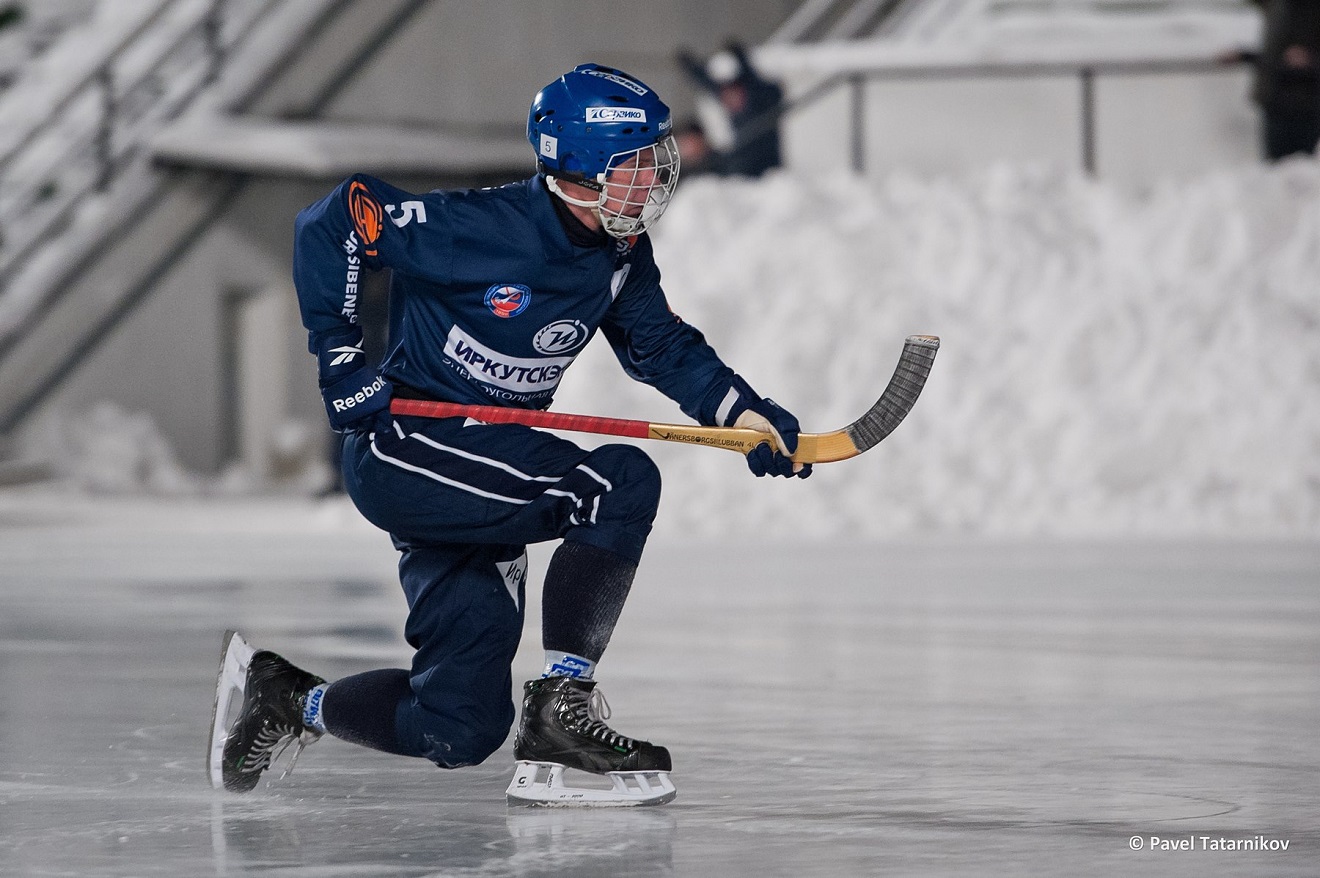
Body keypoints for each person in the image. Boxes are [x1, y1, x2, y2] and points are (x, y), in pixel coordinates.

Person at [208, 63, 810, 806]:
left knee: (457, 727)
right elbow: (335, 219)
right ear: (580, 170)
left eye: (658, 160)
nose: (656, 178)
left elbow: (662, 346)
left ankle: (285, 700)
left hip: (486, 468)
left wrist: (741, 414)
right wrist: (339, 360)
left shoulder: (619, 257)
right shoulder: (476, 227)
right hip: (407, 451)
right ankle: (562, 706)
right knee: (615, 484)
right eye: (637, 164)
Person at [1225, 0, 1320, 160]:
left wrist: (1310, 59)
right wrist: (1244, 56)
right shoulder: (1278, 6)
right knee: (1275, 170)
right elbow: (1274, 56)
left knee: (1303, 169)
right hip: (1275, 102)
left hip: (1308, 105)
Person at [677, 42, 784, 177]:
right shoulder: (732, 100)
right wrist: (688, 66)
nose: (730, 99)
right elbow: (707, 83)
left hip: (766, 168)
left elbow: (759, 85)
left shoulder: (763, 102)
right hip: (743, 169)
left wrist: (739, 55)